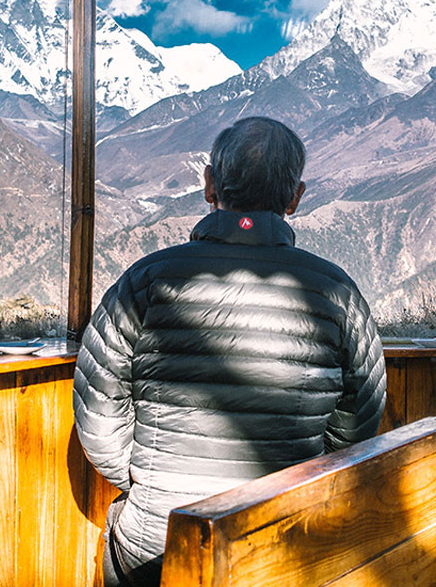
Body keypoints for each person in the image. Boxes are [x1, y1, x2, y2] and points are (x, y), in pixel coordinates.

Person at [74, 116, 386, 587]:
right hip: (283, 542)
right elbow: (358, 424)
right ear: (295, 197)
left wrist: (149, 480)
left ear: (208, 185)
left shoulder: (145, 280)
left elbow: (97, 414)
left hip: (158, 543)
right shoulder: (337, 294)